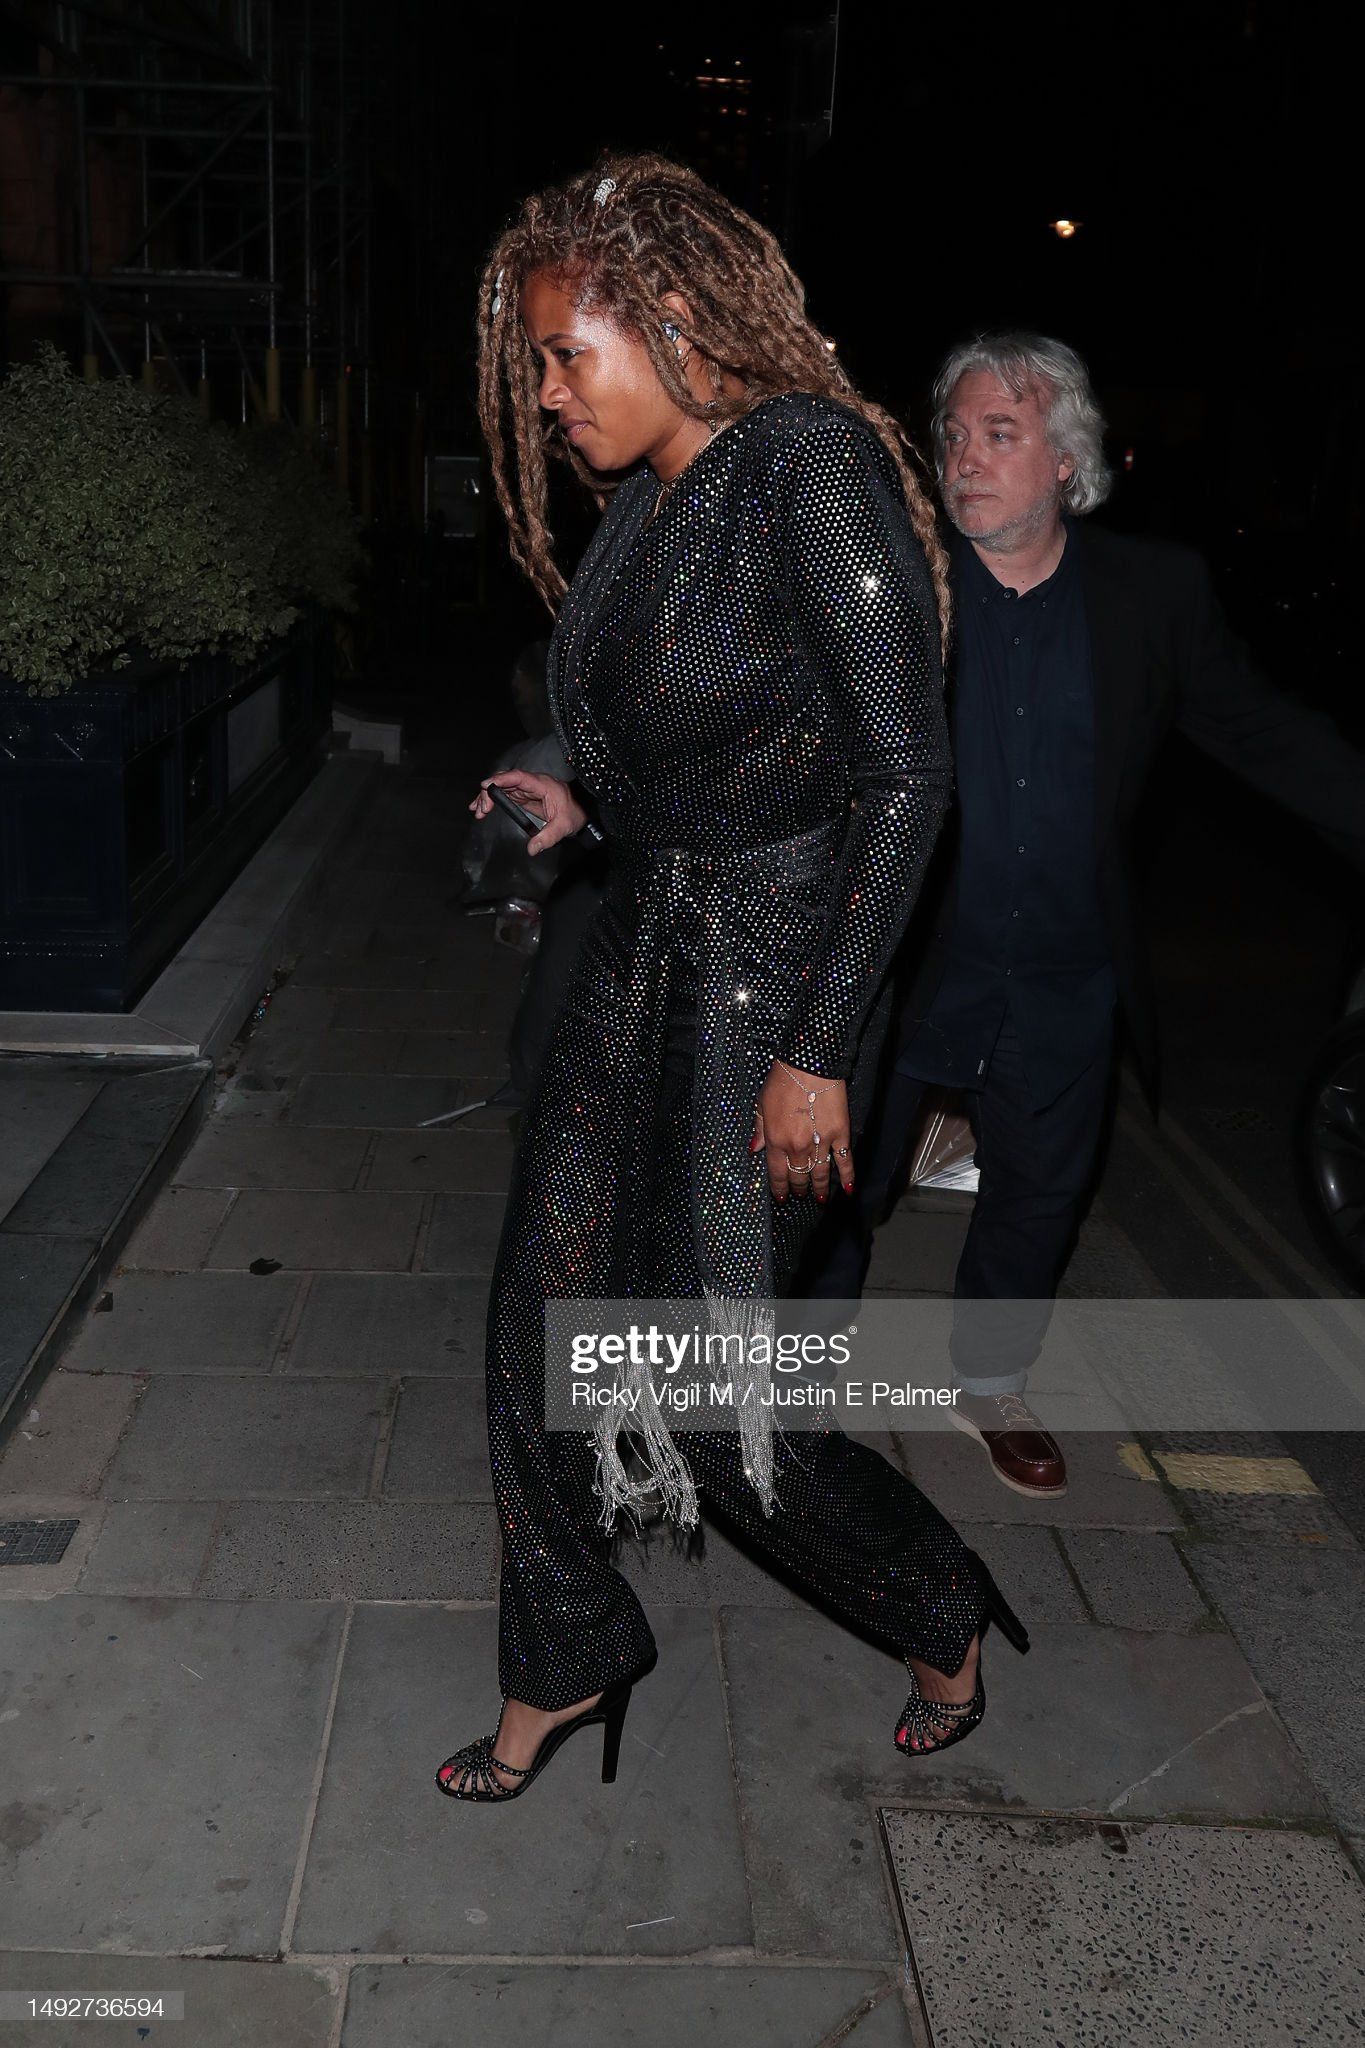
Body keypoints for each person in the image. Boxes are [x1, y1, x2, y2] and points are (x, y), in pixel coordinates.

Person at [434, 156, 1028, 1803]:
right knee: (536, 1320)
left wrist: (821, 1048)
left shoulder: (809, 463)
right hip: (643, 947)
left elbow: (901, 776)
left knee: (712, 1403)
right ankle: (567, 1648)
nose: (546, 394)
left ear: (675, 323)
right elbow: (706, 729)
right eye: (539, 364)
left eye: (566, 356)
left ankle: (937, 1604)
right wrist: (589, 806)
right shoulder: (649, 500)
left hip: (780, 980)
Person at [800, 332, 1365, 1501]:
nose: (964, 458)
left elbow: (1262, 731)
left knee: (1041, 1188)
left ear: (1066, 459)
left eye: (998, 434)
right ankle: (801, 1374)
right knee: (837, 1177)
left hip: (1066, 965)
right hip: (909, 954)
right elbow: (746, 701)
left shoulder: (1151, 596)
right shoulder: (896, 578)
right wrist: (579, 780)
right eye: (954, 434)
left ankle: (990, 1379)